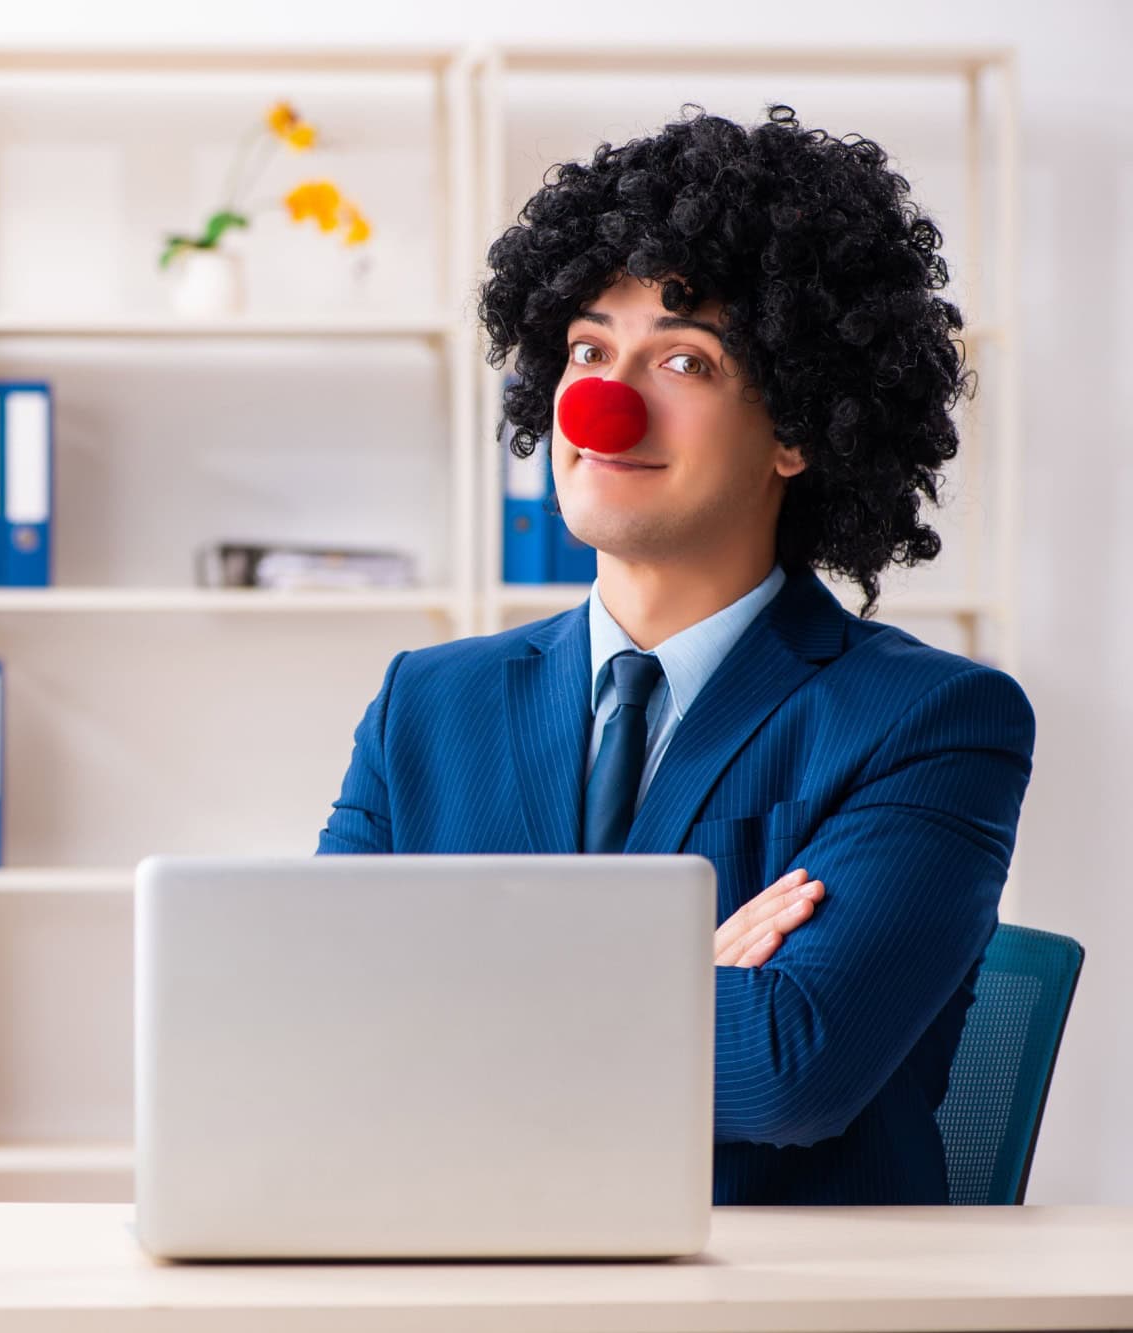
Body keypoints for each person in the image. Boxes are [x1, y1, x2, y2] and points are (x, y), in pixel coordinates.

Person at [317, 104, 1034, 1206]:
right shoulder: (427, 703)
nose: (605, 405)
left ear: (796, 428)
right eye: (589, 351)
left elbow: (785, 1070)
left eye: (684, 360)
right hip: (471, 1263)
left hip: (776, 1283)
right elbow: (319, 1025)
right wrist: (669, 982)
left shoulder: (931, 720)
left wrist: (450, 1003)